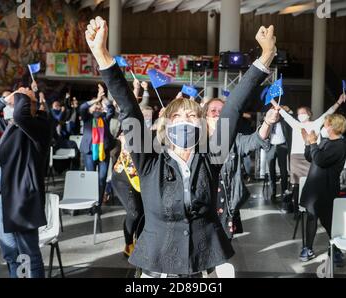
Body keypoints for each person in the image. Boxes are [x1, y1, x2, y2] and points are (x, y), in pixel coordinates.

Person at [85, 16, 278, 277]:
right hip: (156, 263)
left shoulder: (213, 155)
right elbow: (129, 109)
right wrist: (102, 54)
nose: (184, 121)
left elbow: (233, 108)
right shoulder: (150, 159)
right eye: (176, 116)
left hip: (204, 261)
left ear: (202, 124)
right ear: (166, 125)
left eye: (191, 116)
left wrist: (265, 58)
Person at [0, 87, 52, 278]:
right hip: (4, 198)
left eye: (19, 103)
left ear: (32, 106)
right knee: (11, 253)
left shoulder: (41, 125)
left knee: (29, 256)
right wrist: (8, 98)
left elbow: (22, 117)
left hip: (22, 199)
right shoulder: (12, 125)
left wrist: (24, 95)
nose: (13, 107)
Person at [204, 98, 271, 239]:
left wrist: (268, 123)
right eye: (213, 111)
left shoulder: (235, 139)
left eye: (222, 112)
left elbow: (256, 140)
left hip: (227, 205)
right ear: (205, 115)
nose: (217, 114)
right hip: (202, 205)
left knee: (224, 247)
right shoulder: (195, 139)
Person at [272, 94, 346, 213]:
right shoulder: (296, 124)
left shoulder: (316, 123)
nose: (300, 115)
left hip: (311, 156)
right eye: (299, 113)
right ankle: (296, 208)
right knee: (295, 184)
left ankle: (309, 207)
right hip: (296, 157)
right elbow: (284, 115)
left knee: (310, 182)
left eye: (303, 113)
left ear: (309, 113)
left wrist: (339, 101)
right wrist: (273, 102)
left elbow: (329, 112)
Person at [295, 114, 346, 263]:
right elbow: (311, 157)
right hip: (313, 187)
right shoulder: (325, 141)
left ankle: (336, 249)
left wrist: (313, 144)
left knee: (328, 220)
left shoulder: (340, 145)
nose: (323, 127)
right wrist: (308, 143)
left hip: (327, 188)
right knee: (311, 217)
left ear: (332, 127)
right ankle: (308, 248)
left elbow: (320, 160)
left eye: (325, 125)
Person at [79, 83, 116, 208]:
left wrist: (103, 97)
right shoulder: (87, 118)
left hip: (103, 152)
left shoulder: (105, 118)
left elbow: (111, 108)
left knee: (102, 179)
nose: (97, 108)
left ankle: (98, 205)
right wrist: (96, 100)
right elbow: (83, 107)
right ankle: (91, 205)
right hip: (89, 152)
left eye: (99, 107)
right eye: (95, 107)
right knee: (91, 180)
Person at [266, 105, 292, 201]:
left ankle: (284, 191)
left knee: (283, 170)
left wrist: (286, 109)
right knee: (271, 170)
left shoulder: (284, 121)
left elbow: (292, 115)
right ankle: (273, 192)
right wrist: (271, 111)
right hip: (271, 146)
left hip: (282, 146)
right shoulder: (269, 120)